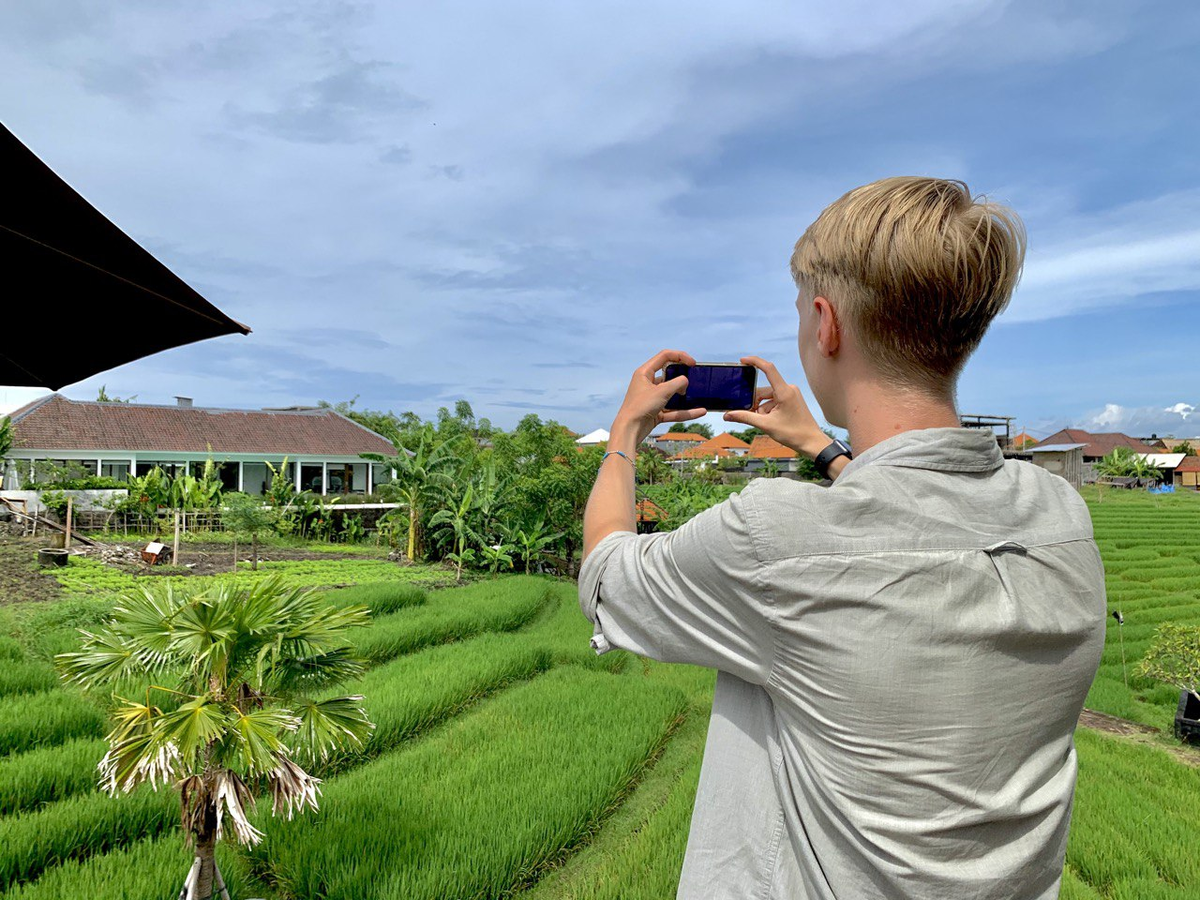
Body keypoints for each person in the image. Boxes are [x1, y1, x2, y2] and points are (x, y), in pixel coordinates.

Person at [578, 176, 1106, 900]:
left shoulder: (775, 537)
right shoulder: (1060, 516)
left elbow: (607, 571)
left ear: (826, 325)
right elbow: (918, 514)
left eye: (802, 315)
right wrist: (822, 448)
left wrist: (627, 433)